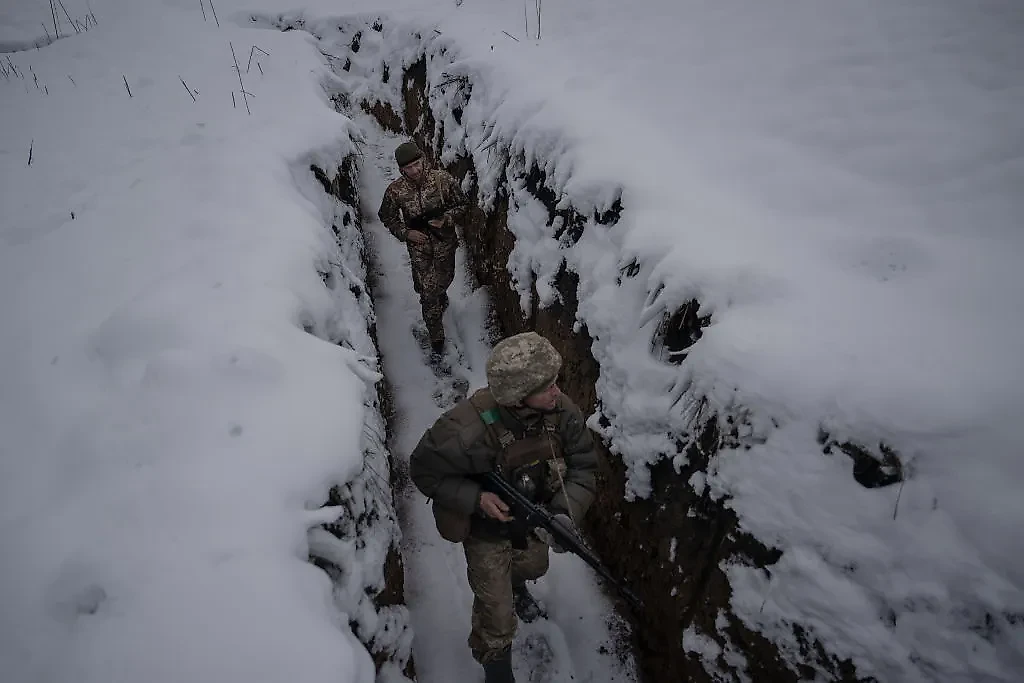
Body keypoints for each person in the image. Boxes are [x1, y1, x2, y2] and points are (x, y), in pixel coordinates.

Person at [409, 331, 599, 683]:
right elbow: (422, 470)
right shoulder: (462, 431)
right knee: (495, 617)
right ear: (517, 399)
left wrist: (563, 512)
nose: (557, 391)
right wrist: (475, 498)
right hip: (485, 531)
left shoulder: (560, 412)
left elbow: (585, 464)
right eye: (547, 387)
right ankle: (498, 672)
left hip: (533, 517)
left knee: (533, 565)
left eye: (555, 382)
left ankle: (516, 586)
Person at [377, 141, 468, 356]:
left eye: (417, 164)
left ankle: (440, 293)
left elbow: (463, 205)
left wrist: (446, 218)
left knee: (444, 279)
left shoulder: (442, 180)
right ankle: (437, 337)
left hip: (445, 243)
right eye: (409, 168)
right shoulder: (395, 191)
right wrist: (406, 233)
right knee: (428, 294)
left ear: (423, 160)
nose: (415, 170)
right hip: (419, 249)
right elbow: (386, 216)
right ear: (401, 169)